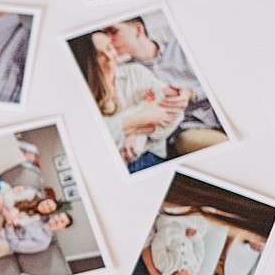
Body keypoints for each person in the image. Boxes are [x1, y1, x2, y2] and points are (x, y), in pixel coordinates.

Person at [102, 16, 226, 154]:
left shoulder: (182, 46)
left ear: (138, 30)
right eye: (104, 35)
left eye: (113, 31)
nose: (108, 39)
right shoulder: (126, 74)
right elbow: (135, 112)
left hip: (221, 109)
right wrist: (132, 133)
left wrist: (192, 94)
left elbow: (223, 79)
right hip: (188, 129)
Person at [69, 31, 184, 172]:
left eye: (110, 48)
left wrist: (133, 132)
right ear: (85, 62)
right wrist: (144, 118)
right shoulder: (81, 95)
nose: (110, 57)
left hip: (149, 153)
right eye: (99, 55)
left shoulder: (136, 73)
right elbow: (95, 139)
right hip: (113, 163)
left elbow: (176, 114)